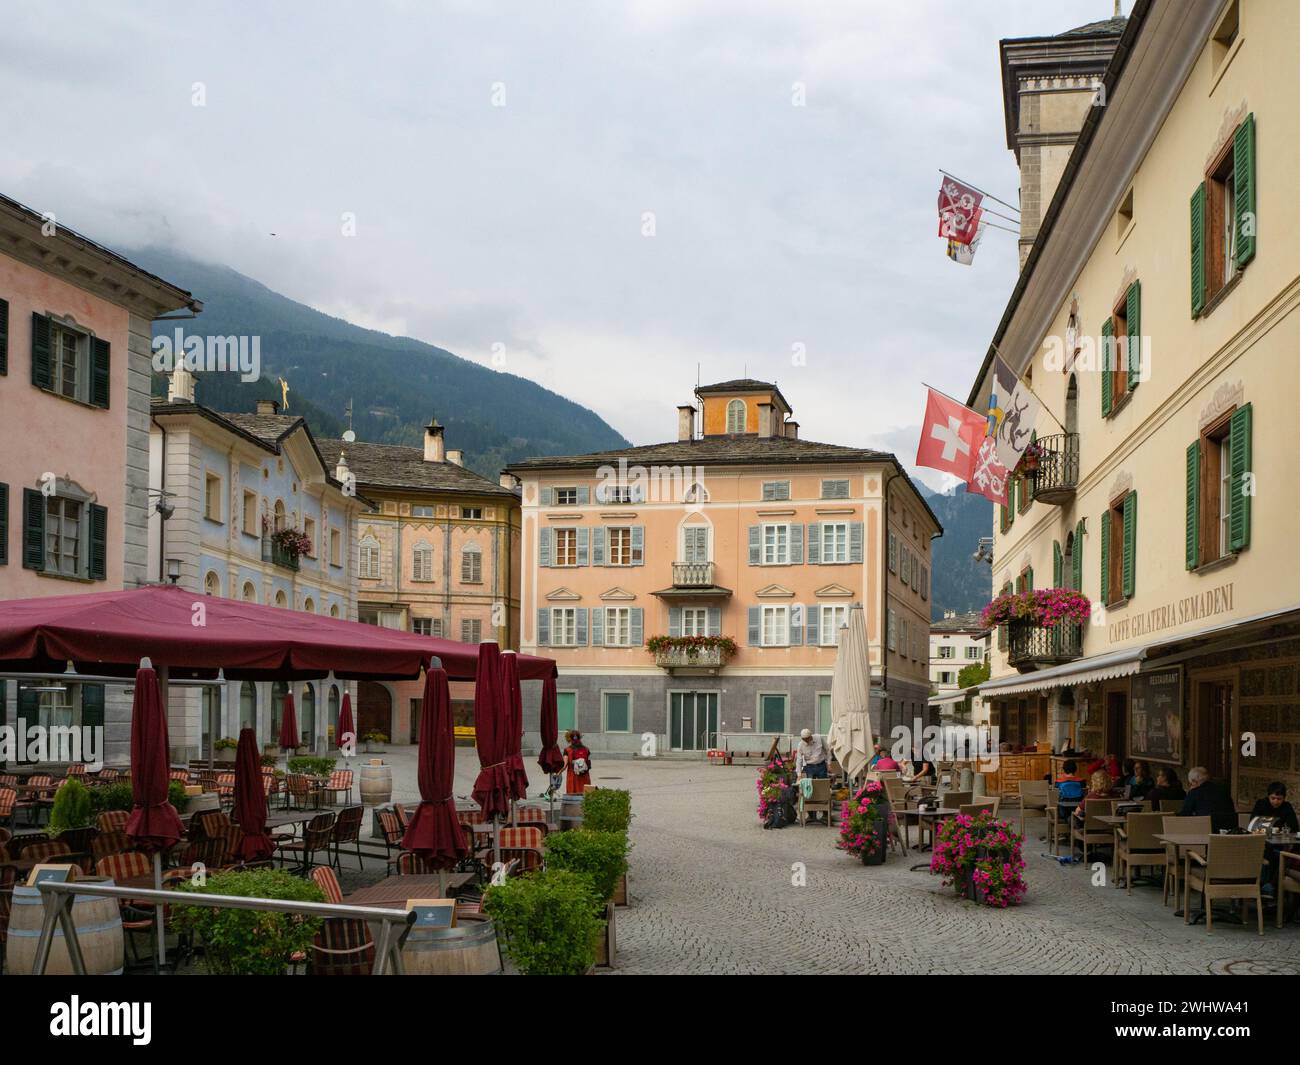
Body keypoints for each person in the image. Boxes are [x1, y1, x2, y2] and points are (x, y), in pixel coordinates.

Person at [1178, 766, 1237, 830]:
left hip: (1205, 828)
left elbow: (1185, 814)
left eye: (1191, 784)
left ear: (1194, 781)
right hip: (1228, 828)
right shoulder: (1223, 790)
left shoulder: (1194, 793)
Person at [563, 729, 592, 795]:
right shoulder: (587, 749)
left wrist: (558, 773)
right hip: (585, 776)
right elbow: (589, 765)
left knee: (572, 795)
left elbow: (564, 766)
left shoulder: (567, 750)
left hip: (572, 777)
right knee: (585, 795)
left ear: (570, 739)